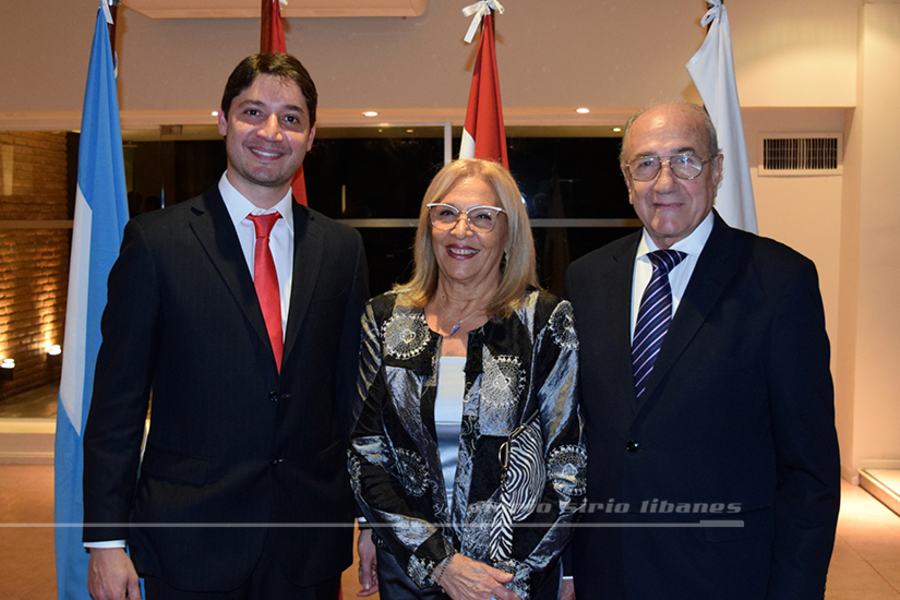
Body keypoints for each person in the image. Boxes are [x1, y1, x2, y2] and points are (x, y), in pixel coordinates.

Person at [82, 53, 368, 600]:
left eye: (291, 118)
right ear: (222, 120)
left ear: (311, 136)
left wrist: (371, 523)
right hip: (189, 539)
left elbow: (349, 403)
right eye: (252, 111)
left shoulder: (341, 249)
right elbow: (117, 403)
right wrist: (105, 541)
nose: (270, 132)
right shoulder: (156, 242)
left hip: (305, 544)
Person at [563, 101, 841, 599]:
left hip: (728, 575)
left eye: (685, 159)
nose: (664, 182)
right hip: (608, 571)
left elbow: (809, 470)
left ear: (716, 170)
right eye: (646, 163)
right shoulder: (586, 279)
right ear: (627, 182)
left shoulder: (780, 281)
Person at [348, 159, 586, 600]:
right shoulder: (384, 319)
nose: (462, 230)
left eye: (482, 217)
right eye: (446, 213)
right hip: (413, 574)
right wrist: (440, 564)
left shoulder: (546, 322)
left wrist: (504, 576)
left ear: (508, 232)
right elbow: (365, 454)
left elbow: (568, 464)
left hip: (513, 582)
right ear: (428, 227)